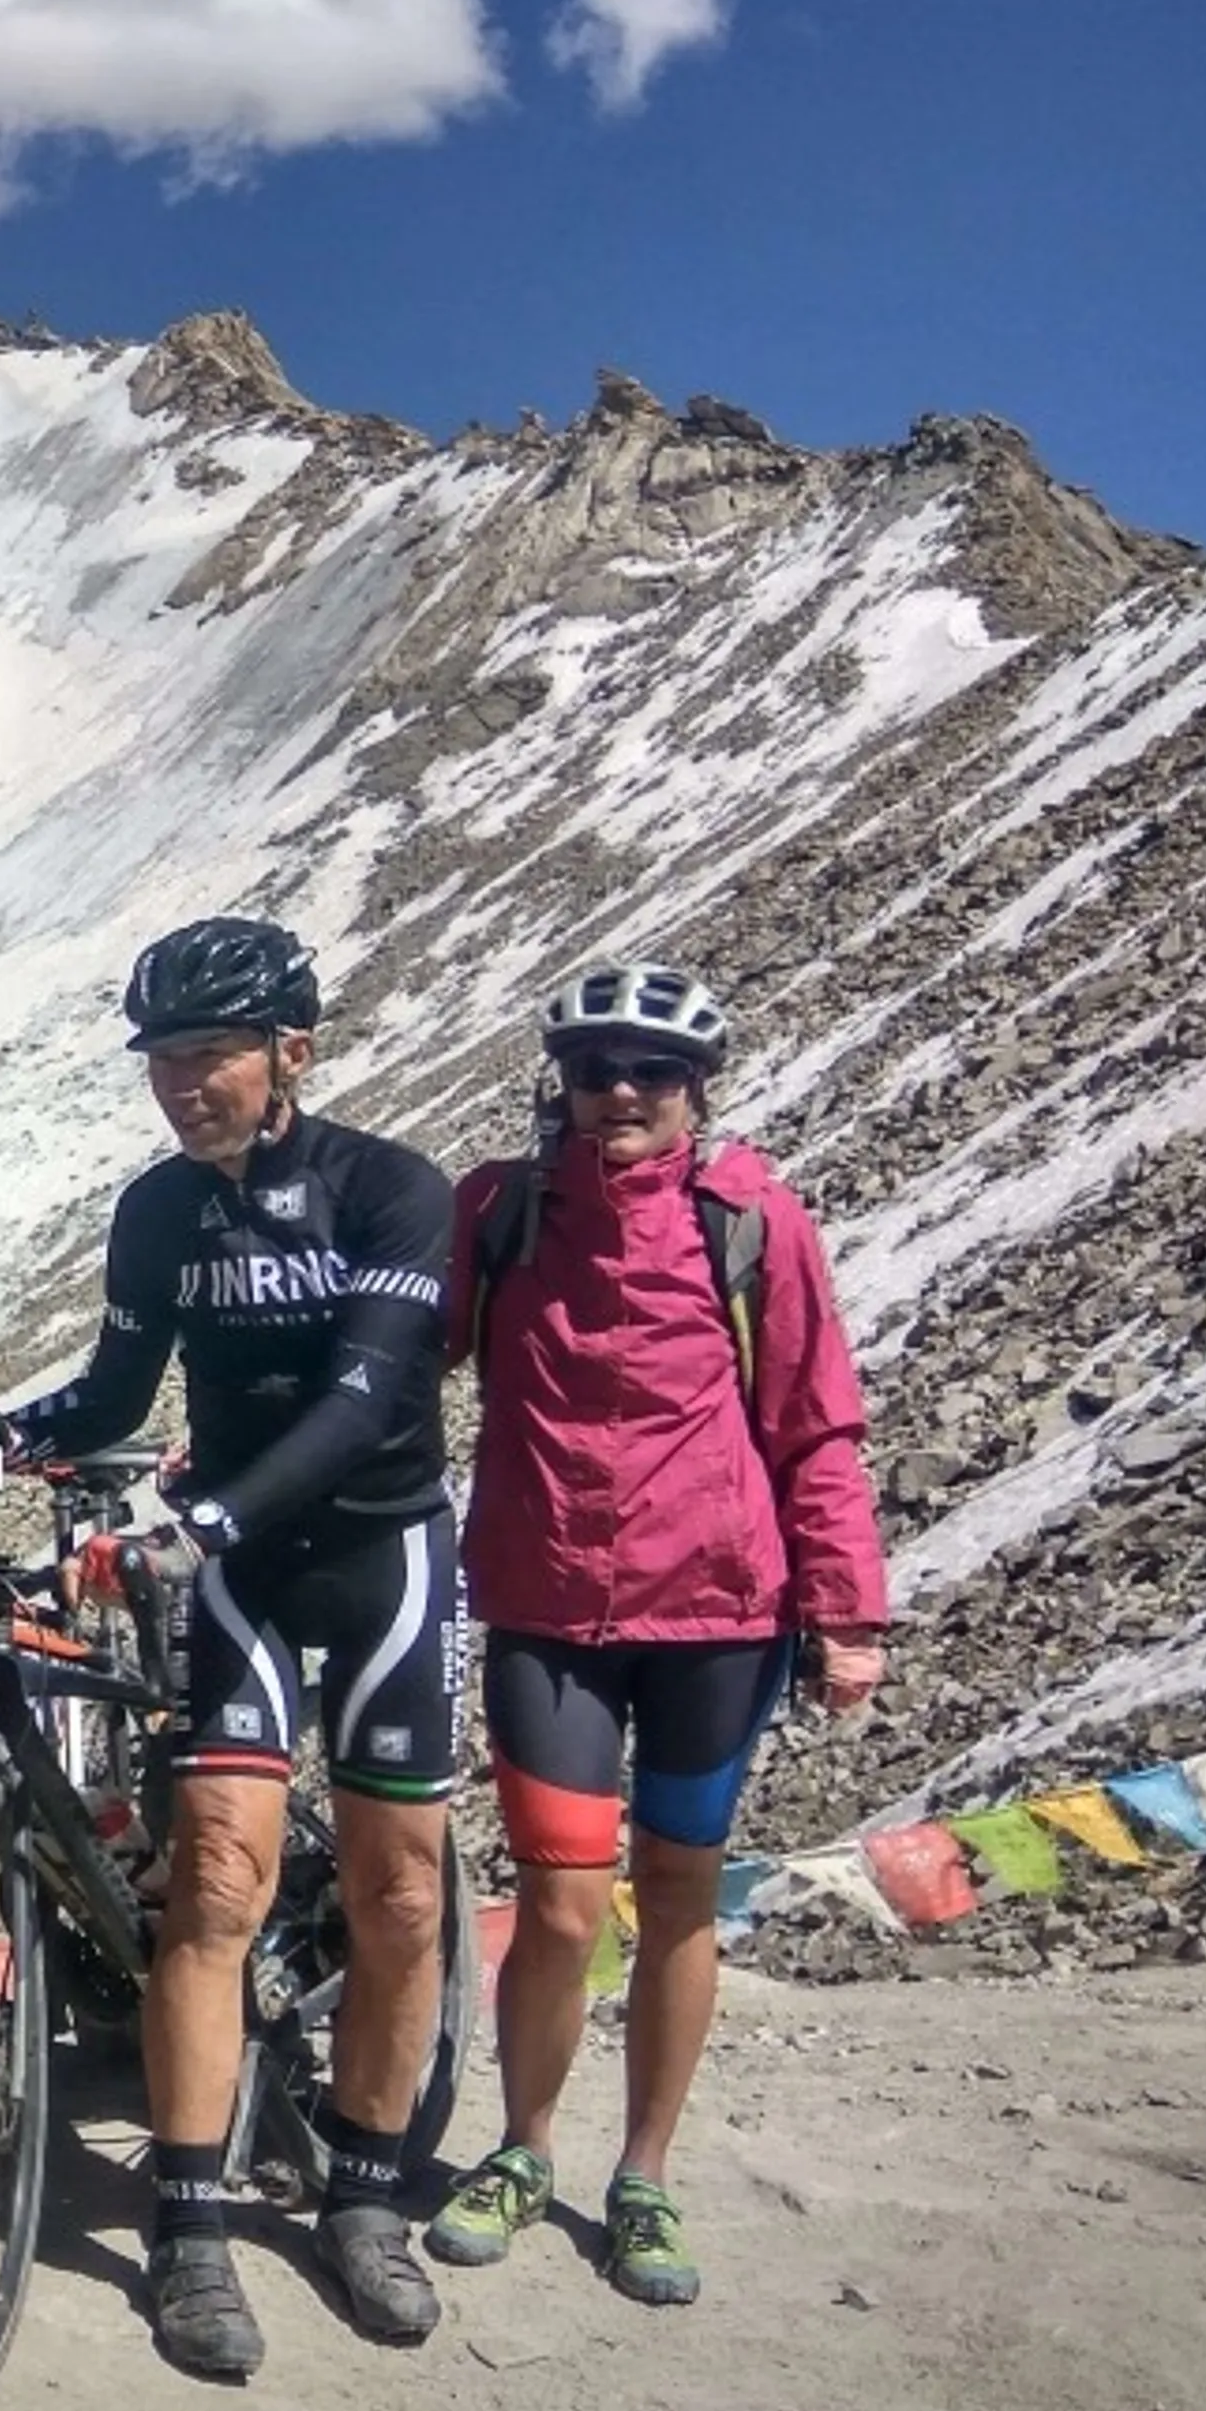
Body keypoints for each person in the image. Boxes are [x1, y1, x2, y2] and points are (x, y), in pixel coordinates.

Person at [0, 916, 462, 2378]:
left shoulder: (393, 1191)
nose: (182, 1085)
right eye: (163, 1061)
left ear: (293, 1047)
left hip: (380, 1557)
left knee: (398, 1894)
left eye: (210, 1055)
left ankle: (364, 2196)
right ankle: (189, 2223)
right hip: (233, 1565)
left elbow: (362, 1403)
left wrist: (204, 1518)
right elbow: (115, 1389)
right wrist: (0, 1439)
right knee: (214, 1882)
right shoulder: (160, 1211)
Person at [423, 961, 889, 2308]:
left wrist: (845, 1612)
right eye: (594, 1068)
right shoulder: (499, 1211)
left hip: (719, 1616)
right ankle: (521, 2149)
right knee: (562, 1905)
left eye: (654, 1072)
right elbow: (413, 1357)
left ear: (698, 1089)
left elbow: (813, 1420)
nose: (620, 1093)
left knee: (681, 1897)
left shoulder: (754, 1221)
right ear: (556, 1082)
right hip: (546, 1609)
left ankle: (644, 2172)